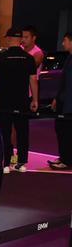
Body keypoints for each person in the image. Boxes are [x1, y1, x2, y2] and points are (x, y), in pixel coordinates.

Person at [0, 28, 38, 174]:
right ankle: (22, 163)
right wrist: (35, 100)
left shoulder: (1, 57)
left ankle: (6, 163)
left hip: (5, 101)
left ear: (9, 39)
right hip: (22, 101)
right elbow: (33, 80)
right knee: (22, 131)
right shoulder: (28, 58)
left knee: (5, 131)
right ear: (20, 39)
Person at [48, 32, 72, 170]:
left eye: (65, 40)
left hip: (69, 104)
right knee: (61, 129)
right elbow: (64, 82)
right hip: (64, 101)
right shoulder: (69, 58)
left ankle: (66, 159)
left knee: (66, 131)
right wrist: (57, 98)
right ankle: (64, 157)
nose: (63, 43)